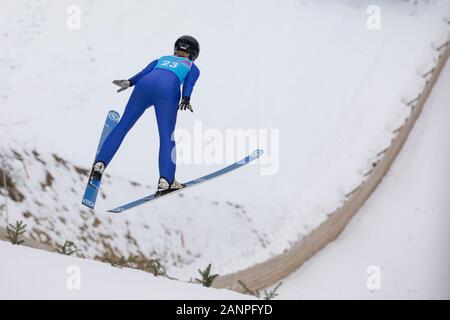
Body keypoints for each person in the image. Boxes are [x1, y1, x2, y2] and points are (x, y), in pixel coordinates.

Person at [90, 35, 200, 192]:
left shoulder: (160, 59)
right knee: (166, 136)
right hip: (168, 89)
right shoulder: (192, 67)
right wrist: (186, 98)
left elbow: (143, 73)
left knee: (122, 126)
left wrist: (129, 82)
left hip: (144, 85)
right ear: (194, 53)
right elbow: (189, 84)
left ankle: (99, 164)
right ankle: (166, 180)